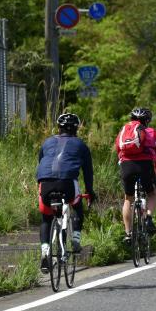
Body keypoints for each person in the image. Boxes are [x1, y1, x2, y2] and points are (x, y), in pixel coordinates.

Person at [36, 113, 96, 273]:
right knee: (77, 205)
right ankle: (76, 238)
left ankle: (45, 251)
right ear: (76, 129)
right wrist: (90, 192)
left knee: (46, 217)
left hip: (45, 183)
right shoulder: (80, 144)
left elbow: (41, 162)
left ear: (59, 127)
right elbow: (88, 172)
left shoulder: (47, 141)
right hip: (67, 183)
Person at [115, 107, 156, 244]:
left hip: (126, 165)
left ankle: (128, 233)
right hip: (145, 165)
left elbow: (118, 150)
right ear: (147, 120)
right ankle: (148, 218)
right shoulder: (152, 133)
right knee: (151, 194)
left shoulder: (124, 130)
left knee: (128, 199)